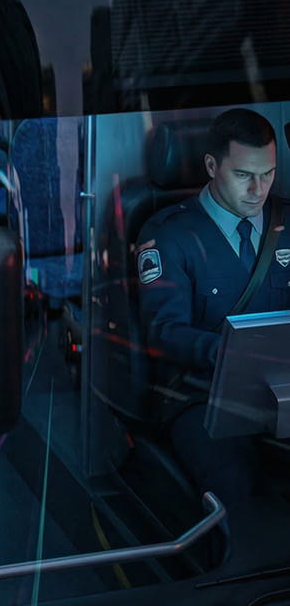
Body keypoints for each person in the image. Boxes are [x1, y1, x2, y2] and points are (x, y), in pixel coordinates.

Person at [137, 107, 290, 513]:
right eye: (243, 175)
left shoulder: (285, 222)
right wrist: (231, 353)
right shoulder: (170, 234)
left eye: (268, 173)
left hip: (282, 387)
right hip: (200, 395)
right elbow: (165, 331)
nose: (259, 190)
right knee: (235, 484)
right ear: (211, 165)